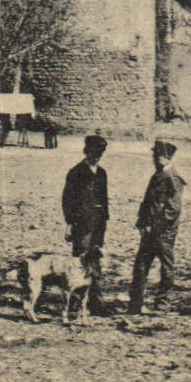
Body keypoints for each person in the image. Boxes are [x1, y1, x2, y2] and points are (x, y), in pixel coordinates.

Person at [128, 140, 185, 316]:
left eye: (158, 156)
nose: (154, 159)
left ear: (167, 158)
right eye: (154, 156)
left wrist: (155, 227)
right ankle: (135, 303)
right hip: (150, 230)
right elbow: (148, 201)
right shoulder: (158, 175)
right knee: (140, 265)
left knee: (166, 268)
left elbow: (173, 209)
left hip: (164, 232)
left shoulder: (173, 178)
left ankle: (163, 303)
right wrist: (142, 222)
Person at [61, 132, 110, 316]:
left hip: (99, 224)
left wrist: (104, 220)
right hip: (82, 225)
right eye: (94, 153)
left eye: (100, 154)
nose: (96, 157)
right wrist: (69, 223)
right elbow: (67, 200)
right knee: (80, 263)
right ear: (86, 151)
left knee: (96, 263)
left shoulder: (102, 173)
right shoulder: (76, 172)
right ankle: (75, 303)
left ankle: (95, 303)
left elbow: (104, 199)